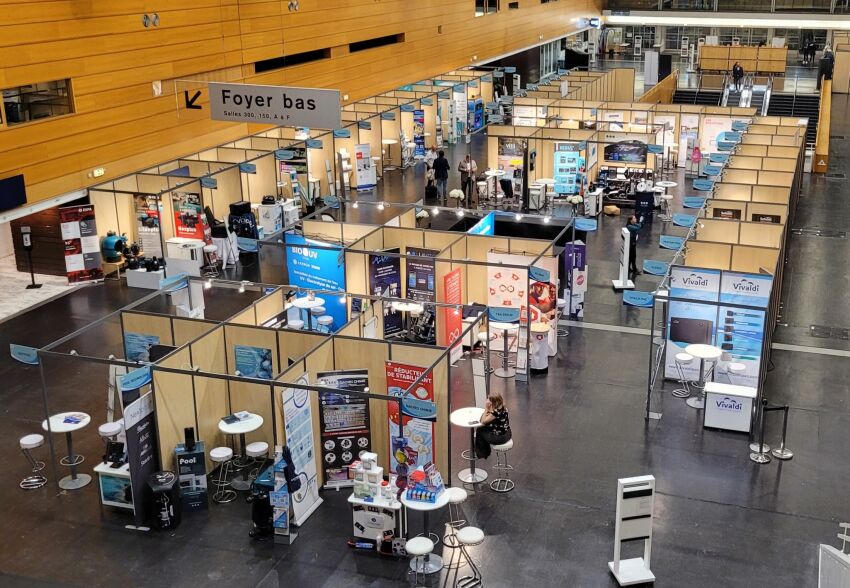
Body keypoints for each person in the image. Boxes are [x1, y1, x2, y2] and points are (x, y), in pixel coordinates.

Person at [474, 393, 511, 460]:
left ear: (493, 402)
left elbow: (482, 422)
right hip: (508, 433)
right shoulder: (503, 407)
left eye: (488, 399)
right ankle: (483, 452)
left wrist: (486, 409)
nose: (487, 400)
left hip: (500, 438)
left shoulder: (496, 412)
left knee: (480, 430)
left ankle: (482, 454)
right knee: (485, 428)